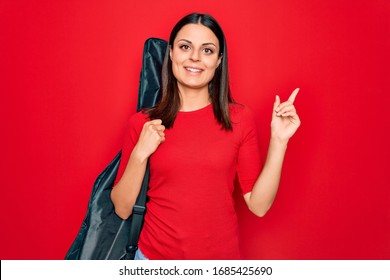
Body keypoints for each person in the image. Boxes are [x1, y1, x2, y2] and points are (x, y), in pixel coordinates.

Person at [111, 12, 300, 260]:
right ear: (171, 53)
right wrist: (140, 153)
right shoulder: (144, 123)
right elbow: (122, 208)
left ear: (219, 60)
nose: (195, 57)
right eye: (185, 46)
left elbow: (259, 205)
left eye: (207, 50)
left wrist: (279, 140)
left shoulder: (239, 119)